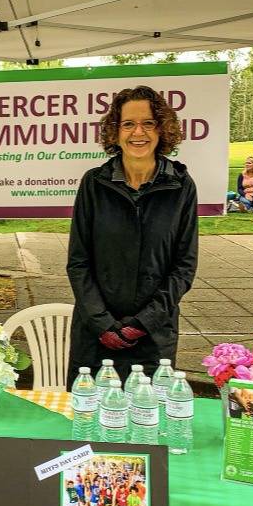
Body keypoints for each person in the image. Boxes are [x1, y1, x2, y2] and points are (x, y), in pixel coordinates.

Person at [66, 85, 198, 386]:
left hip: (153, 339)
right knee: (87, 422)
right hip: (95, 337)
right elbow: (78, 263)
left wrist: (142, 324)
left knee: (148, 424)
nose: (138, 132)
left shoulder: (181, 186)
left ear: (162, 129)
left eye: (148, 123)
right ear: (115, 131)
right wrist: (103, 324)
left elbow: (184, 267)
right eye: (128, 124)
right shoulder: (94, 184)